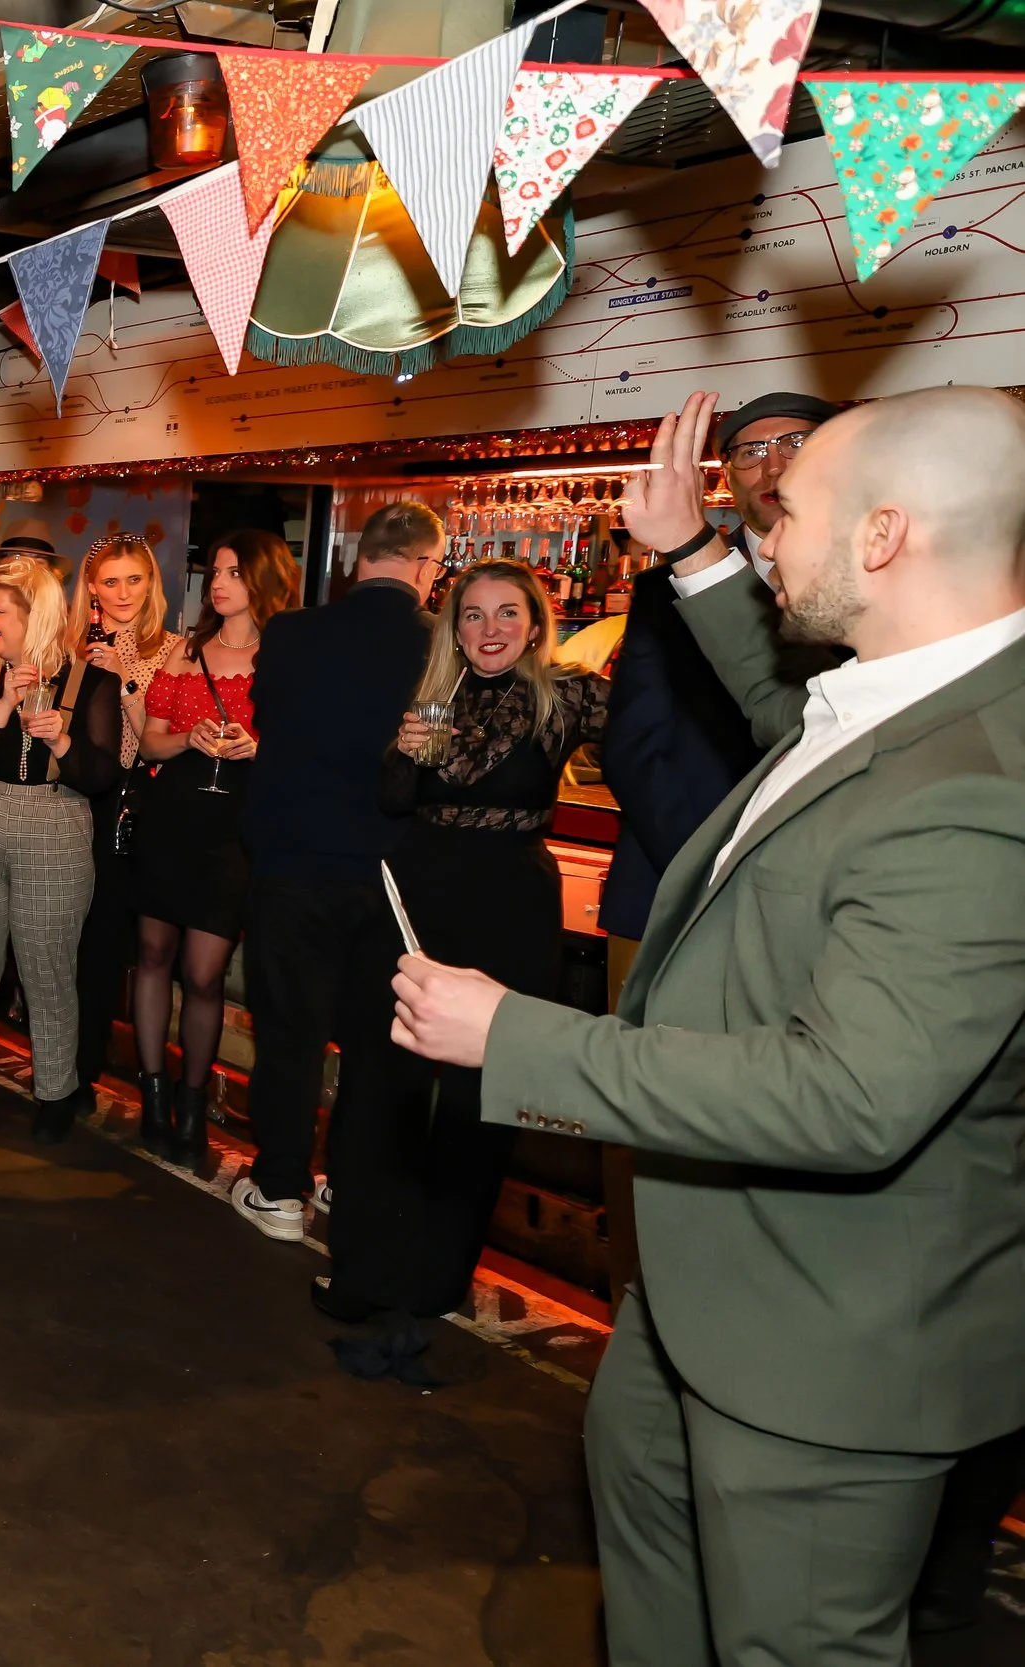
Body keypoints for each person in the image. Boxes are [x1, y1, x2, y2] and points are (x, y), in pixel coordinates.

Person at [393, 386, 1025, 1666]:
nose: (766, 529)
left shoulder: (979, 789)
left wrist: (519, 1036)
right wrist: (689, 558)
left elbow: (849, 1095)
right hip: (705, 1297)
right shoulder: (896, 700)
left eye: (786, 512)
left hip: (823, 1346)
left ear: (884, 536)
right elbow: (791, 722)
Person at [317, 560, 609, 1337]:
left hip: (509, 900)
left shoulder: (566, 694)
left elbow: (655, 744)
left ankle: (436, 1278)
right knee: (384, 1087)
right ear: (454, 628)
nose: (490, 631)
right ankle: (364, 1271)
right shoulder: (433, 697)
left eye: (507, 614)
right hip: (416, 896)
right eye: (472, 616)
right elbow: (393, 801)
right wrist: (407, 753)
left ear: (536, 623)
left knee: (481, 1100)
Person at [234, 503, 436, 1242]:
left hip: (292, 858)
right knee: (372, 1040)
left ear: (359, 559)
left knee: (290, 1034)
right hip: (388, 870)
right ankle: (347, 1183)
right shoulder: (437, 641)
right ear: (425, 565)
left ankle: (281, 1186)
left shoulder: (291, 633)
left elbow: (269, 716)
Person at [597, 391, 837, 981]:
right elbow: (635, 746)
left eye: (794, 445)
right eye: (750, 451)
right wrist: (713, 869)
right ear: (726, 476)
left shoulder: (877, 580)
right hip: (672, 882)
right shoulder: (664, 592)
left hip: (823, 899)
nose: (773, 466)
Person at [0, 552, 121, 1142]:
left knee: (46, 965)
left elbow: (99, 775)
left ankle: (56, 1093)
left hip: (56, 819)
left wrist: (62, 740)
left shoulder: (92, 680)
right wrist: (4, 703)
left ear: (32, 613)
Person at [131, 530, 299, 1169]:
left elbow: (303, 748)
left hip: (236, 827)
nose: (218, 584)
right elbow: (150, 742)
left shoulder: (285, 656)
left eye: (233, 572)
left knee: (203, 973)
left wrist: (262, 749)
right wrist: (188, 737)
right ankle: (152, 1098)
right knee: (151, 954)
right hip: (174, 814)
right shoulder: (185, 650)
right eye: (214, 572)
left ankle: (192, 1103)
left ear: (264, 579)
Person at [68, 534, 180, 1104]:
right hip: (75, 801)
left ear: (151, 583)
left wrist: (124, 675)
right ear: (91, 587)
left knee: (120, 943)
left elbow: (153, 744)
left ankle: (97, 1073)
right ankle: (70, 1067)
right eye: (110, 581)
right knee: (77, 941)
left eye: (134, 579)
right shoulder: (70, 645)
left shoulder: (174, 649)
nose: (123, 592)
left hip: (136, 805)